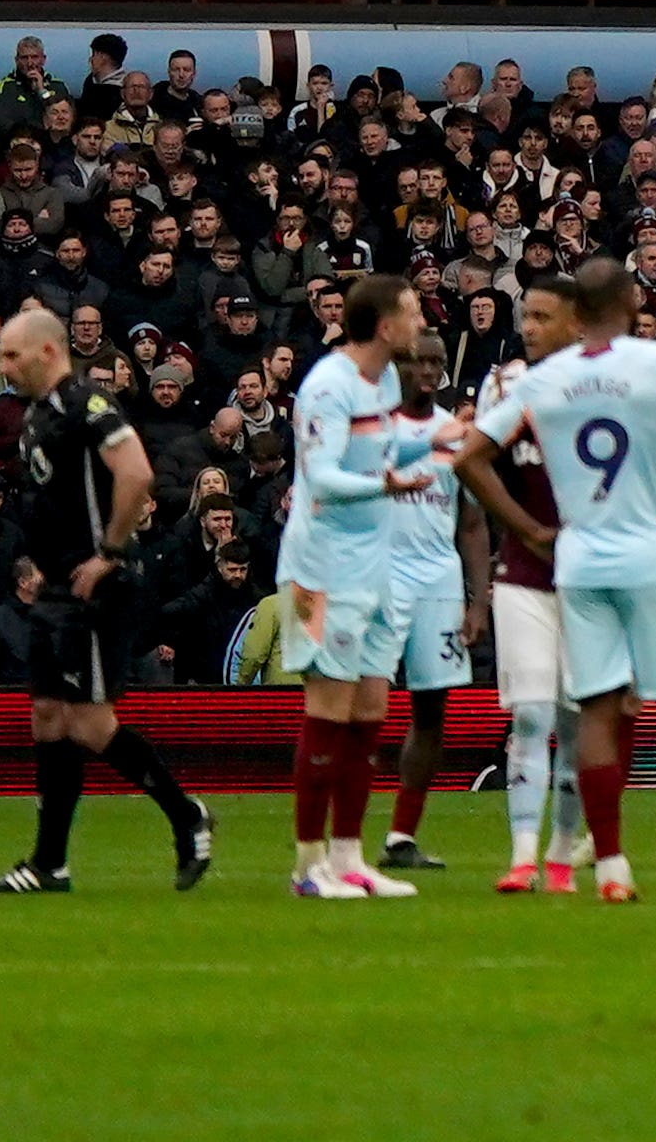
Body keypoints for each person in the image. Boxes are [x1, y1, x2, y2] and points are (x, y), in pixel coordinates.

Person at [451, 259, 656, 905]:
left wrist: (530, 531)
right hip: (650, 553)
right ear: (629, 299)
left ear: (575, 311)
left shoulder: (545, 379)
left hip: (579, 560)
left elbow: (471, 457)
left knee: (595, 709)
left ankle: (612, 867)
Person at [0, 305, 213, 894]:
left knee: (90, 723)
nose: (2, 367)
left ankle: (187, 815)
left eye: (11, 355)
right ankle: (48, 864)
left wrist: (108, 551)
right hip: (56, 588)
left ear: (49, 352)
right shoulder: (36, 415)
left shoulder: (88, 405)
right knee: (48, 718)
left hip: (95, 588)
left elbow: (136, 472)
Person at [273, 271, 437, 900]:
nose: (421, 323)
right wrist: (388, 487)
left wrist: (439, 444)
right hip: (320, 571)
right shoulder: (327, 385)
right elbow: (324, 477)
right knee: (328, 710)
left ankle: (348, 858)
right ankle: (306, 866)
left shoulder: (387, 379)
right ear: (386, 325)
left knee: (371, 709)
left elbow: (387, 455)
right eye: (413, 312)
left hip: (375, 565)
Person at [471, 282, 585, 892]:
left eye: (544, 316)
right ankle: (521, 856)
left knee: (573, 722)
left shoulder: (606, 384)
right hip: (523, 574)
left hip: (589, 579)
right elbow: (477, 459)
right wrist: (525, 529)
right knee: (533, 715)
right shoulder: (507, 385)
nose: (531, 327)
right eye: (526, 316)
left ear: (575, 322)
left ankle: (563, 855)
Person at [375, 324, 481, 881]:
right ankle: (337, 831)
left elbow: (472, 521)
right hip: (379, 574)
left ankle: (402, 834)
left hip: (438, 577)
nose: (428, 371)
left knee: (431, 709)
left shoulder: (456, 433)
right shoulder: (377, 427)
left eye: (436, 362)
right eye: (418, 361)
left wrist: (477, 600)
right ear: (399, 365)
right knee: (359, 704)